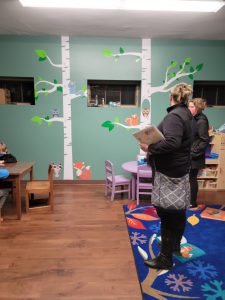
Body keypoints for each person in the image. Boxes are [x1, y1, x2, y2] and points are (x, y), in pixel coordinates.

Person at [139, 83, 193, 270]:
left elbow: (172, 142)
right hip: (179, 170)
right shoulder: (187, 114)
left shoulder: (174, 116)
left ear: (171, 97)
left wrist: (149, 147)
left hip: (169, 172)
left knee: (166, 215)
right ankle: (174, 246)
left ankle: (165, 258)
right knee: (177, 213)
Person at [188, 98, 210, 208]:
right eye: (189, 106)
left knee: (192, 178)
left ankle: (192, 203)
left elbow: (205, 140)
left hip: (195, 156)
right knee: (189, 178)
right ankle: (189, 201)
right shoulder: (194, 118)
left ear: (198, 108)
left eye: (192, 107)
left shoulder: (201, 121)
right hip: (191, 155)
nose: (189, 108)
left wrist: (193, 152)